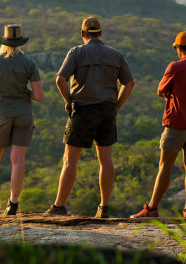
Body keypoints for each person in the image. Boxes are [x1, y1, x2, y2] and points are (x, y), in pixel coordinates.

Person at [44, 16, 134, 218]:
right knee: (106, 159)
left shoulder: (76, 52)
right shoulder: (115, 54)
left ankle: (59, 206)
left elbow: (60, 79)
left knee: (70, 159)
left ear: (82, 33)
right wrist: (117, 106)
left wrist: (68, 100)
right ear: (100, 33)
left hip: (83, 109)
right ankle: (104, 207)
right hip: (107, 110)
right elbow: (129, 83)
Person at [131, 30, 186, 219]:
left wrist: (172, 95)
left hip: (177, 121)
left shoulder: (175, 67)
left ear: (179, 48)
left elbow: (161, 90)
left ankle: (152, 208)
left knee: (165, 165)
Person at [0, 24, 44, 217]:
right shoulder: (29, 63)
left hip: (0, 116)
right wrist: (25, 92)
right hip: (23, 116)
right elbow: (39, 96)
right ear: (20, 42)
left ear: (4, 42)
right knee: (18, 161)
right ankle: (13, 205)